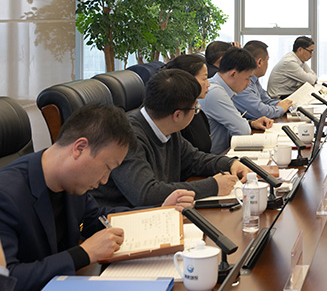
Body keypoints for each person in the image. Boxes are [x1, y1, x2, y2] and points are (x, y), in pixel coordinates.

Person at [0, 104, 193, 291]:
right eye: (107, 167)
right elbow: (10, 279)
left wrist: (160, 212)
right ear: (80, 148)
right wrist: (84, 253)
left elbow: (98, 219)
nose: (104, 180)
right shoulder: (6, 195)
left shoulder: (71, 183)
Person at [91, 68, 251, 208]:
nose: (196, 111)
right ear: (177, 115)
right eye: (195, 107)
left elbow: (194, 160)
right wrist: (213, 186)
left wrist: (230, 163)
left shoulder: (166, 126)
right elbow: (146, 194)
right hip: (124, 222)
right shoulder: (127, 135)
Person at [201, 48, 272, 154]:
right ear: (233, 74)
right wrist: (246, 125)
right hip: (216, 158)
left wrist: (251, 123)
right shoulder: (215, 92)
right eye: (247, 78)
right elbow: (243, 131)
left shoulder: (220, 88)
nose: (248, 84)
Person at [233, 40, 294, 119]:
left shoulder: (254, 80)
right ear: (259, 62)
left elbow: (266, 101)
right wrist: (281, 108)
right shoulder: (242, 82)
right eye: (267, 60)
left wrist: (287, 104)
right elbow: (260, 112)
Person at [164, 53, 213, 152]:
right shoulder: (174, 120)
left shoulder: (198, 112)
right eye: (204, 79)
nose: (208, 84)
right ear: (187, 80)